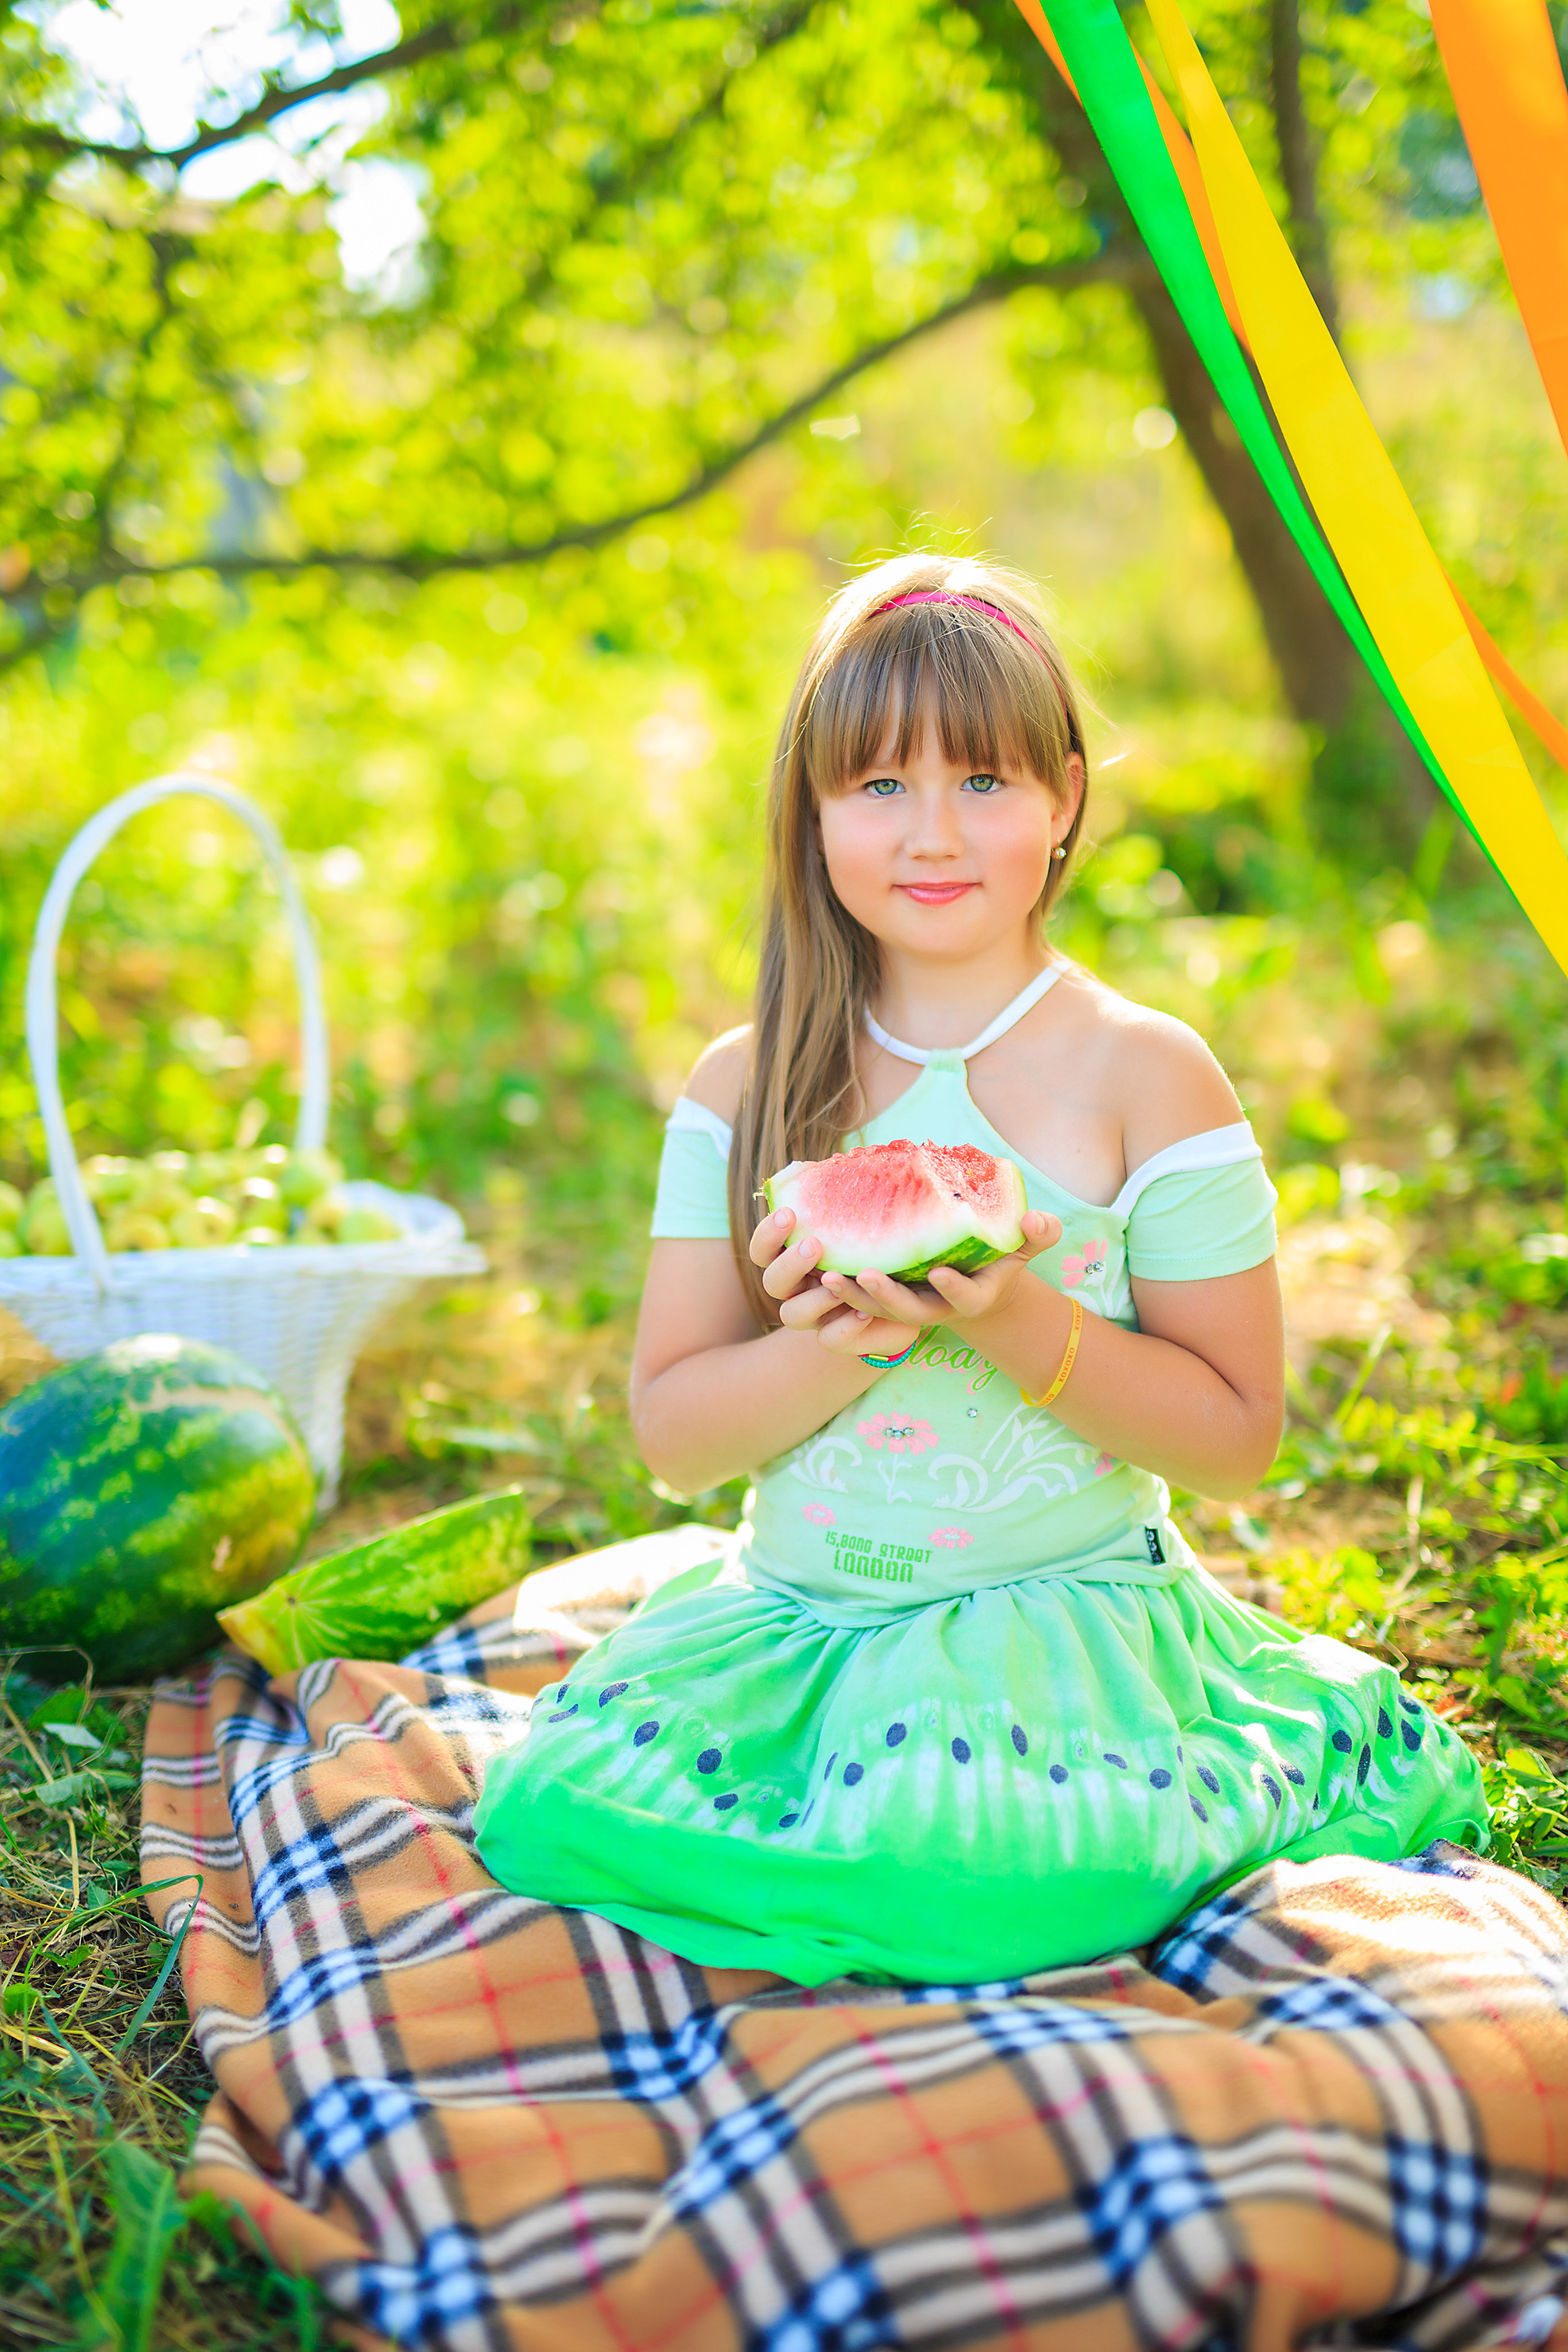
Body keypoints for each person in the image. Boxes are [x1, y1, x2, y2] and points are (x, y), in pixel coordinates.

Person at [473, 551, 1488, 1987]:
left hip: (1057, 1625)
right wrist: (833, 1342)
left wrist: (1015, 1316)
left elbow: (1236, 1441)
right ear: (813, 814)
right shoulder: (742, 1080)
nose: (929, 835)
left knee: (979, 1878)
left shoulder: (1148, 1074)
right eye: (877, 787)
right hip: (793, 1617)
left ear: (1064, 797)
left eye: (984, 785)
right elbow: (673, 1439)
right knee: (550, 1815)